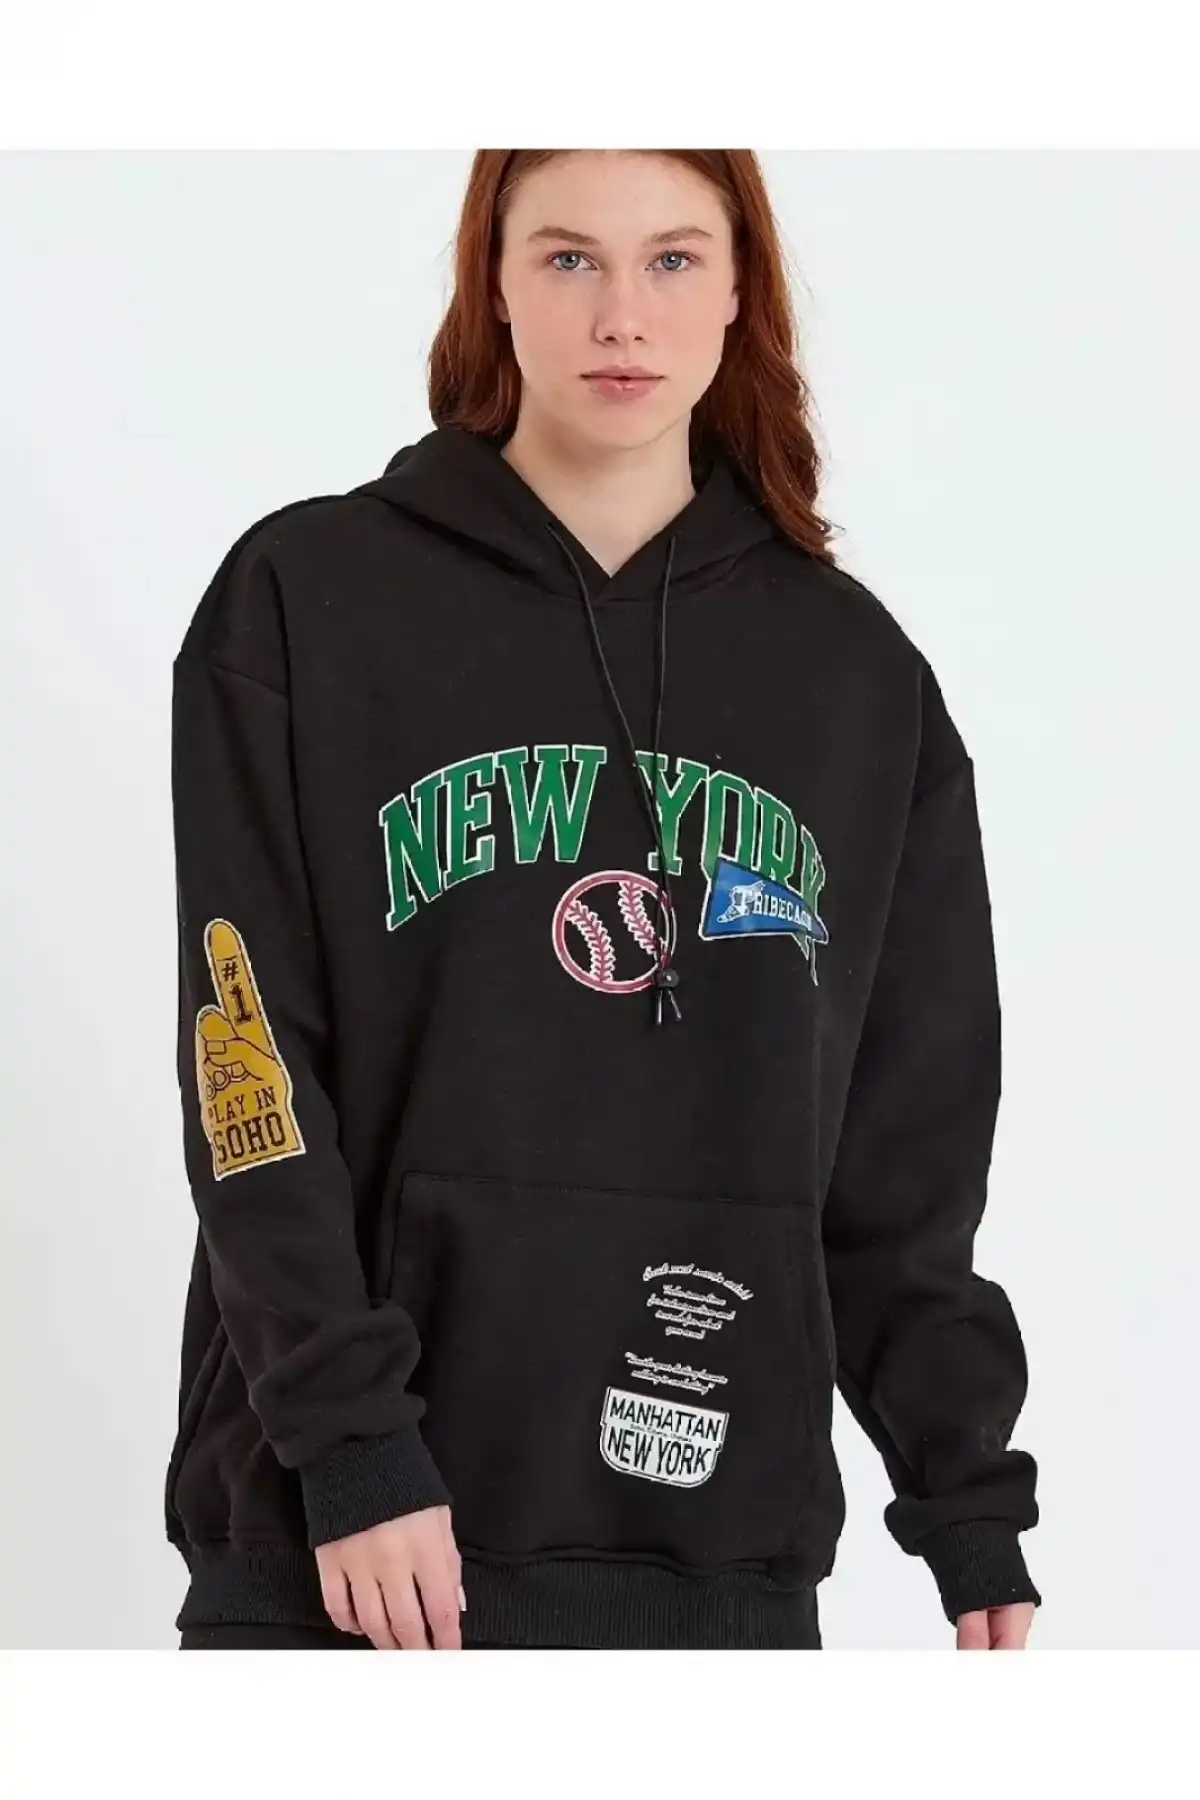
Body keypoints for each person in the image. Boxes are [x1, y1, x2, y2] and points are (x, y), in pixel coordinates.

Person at [166, 148, 1042, 1653]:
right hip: (355, 1550)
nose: (622, 314)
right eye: (568, 257)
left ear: (741, 292)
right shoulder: (308, 600)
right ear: (494, 286)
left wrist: (966, 1500)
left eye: (673, 259)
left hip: (713, 1555)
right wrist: (352, 1443)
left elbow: (905, 1151)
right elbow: (245, 1058)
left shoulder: (857, 683)